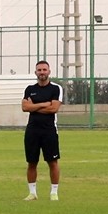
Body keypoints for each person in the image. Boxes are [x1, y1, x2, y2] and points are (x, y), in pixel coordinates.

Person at [22, 60, 63, 201]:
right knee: (32, 162)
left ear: (49, 71)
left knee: (52, 162)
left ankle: (54, 193)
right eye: (39, 70)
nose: (42, 72)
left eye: (44, 70)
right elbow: (25, 107)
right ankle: (32, 193)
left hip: (49, 130)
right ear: (36, 72)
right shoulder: (29, 89)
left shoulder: (55, 89)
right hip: (32, 130)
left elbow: (54, 108)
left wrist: (34, 107)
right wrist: (45, 104)